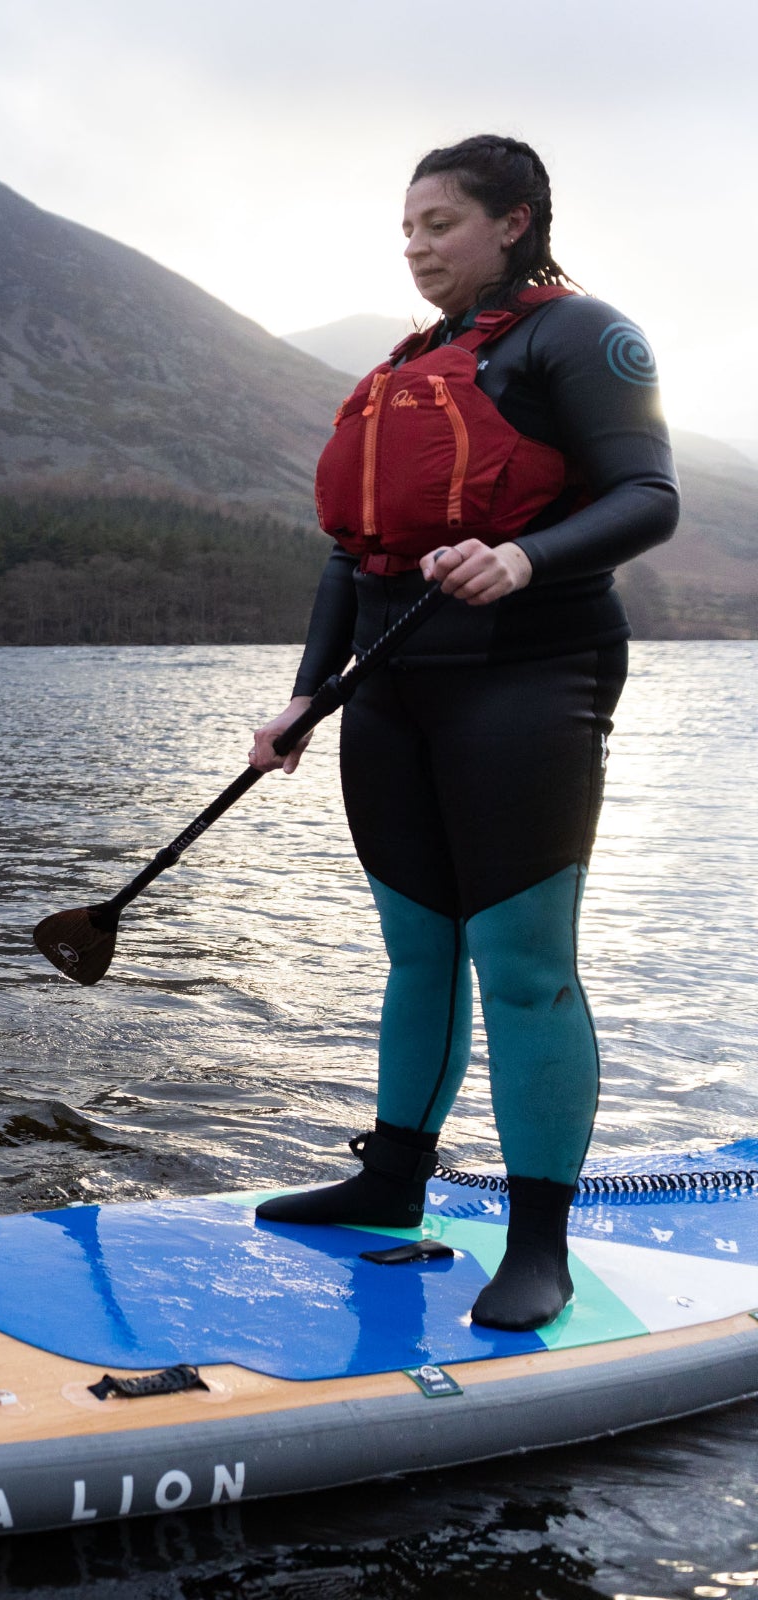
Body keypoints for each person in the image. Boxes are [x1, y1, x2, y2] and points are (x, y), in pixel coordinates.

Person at [247, 135, 677, 1331]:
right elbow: (355, 552)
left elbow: (652, 494)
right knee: (416, 950)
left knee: (525, 970)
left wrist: (524, 554)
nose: (417, 245)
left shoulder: (579, 336)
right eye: (406, 226)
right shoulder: (409, 364)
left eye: (441, 222)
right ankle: (393, 1178)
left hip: (526, 677)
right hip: (388, 692)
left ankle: (541, 1240)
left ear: (514, 221)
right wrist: (305, 692)